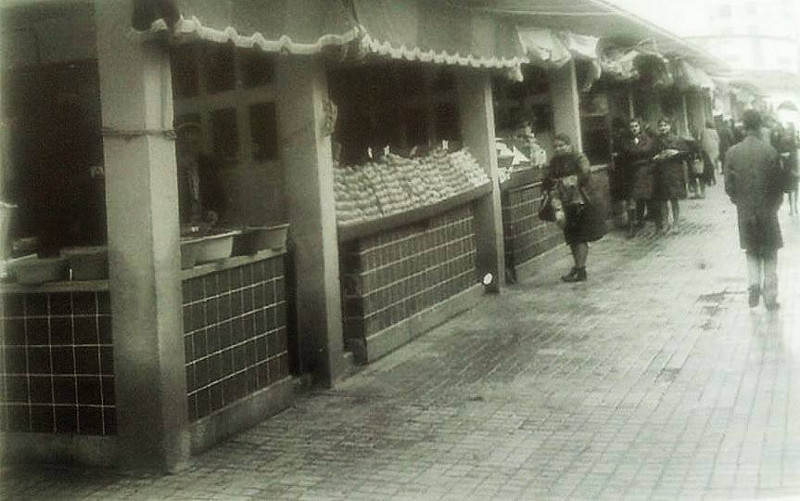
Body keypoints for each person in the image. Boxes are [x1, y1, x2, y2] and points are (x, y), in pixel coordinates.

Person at [724, 109, 783, 310]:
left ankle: (753, 285)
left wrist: (739, 201)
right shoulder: (770, 151)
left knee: (751, 251)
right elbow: (778, 185)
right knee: (770, 253)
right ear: (759, 126)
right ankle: (770, 296)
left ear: (743, 126)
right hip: (767, 209)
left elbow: (729, 186)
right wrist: (774, 205)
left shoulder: (732, 152)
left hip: (745, 210)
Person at [543, 133, 607, 282]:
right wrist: (549, 187)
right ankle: (577, 267)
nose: (558, 149)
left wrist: (567, 181)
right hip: (563, 202)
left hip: (580, 201)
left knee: (580, 236)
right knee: (571, 237)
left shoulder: (579, 157)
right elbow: (548, 177)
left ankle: (581, 269)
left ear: (569, 145)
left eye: (561, 145)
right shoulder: (555, 161)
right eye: (556, 146)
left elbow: (584, 173)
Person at [175, 121, 226, 227]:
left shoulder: (208, 164)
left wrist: (214, 212)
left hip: (205, 224)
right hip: (178, 225)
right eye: (186, 143)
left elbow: (219, 196)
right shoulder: (170, 166)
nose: (190, 148)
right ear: (179, 145)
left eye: (195, 143)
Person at [616, 118, 656, 238]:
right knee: (631, 199)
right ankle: (632, 225)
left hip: (643, 172)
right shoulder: (626, 140)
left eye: (636, 126)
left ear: (640, 127)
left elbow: (647, 150)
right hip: (629, 172)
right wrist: (636, 152)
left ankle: (639, 220)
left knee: (640, 198)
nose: (634, 129)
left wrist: (634, 151)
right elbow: (624, 152)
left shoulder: (646, 139)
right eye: (632, 127)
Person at [652, 117, 689, 233]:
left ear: (670, 126)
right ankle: (665, 223)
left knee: (674, 199)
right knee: (663, 200)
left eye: (665, 125)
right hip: (661, 173)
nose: (663, 128)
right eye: (661, 126)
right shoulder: (656, 141)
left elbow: (686, 154)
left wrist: (676, 152)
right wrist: (656, 157)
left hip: (674, 172)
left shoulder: (677, 139)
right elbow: (651, 154)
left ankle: (676, 223)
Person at [699, 121, 720, 188]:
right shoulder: (714, 131)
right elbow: (718, 140)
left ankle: (710, 178)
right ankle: (713, 177)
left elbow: (700, 139)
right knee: (712, 161)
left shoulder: (703, 131)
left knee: (707, 163)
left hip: (705, 148)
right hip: (714, 147)